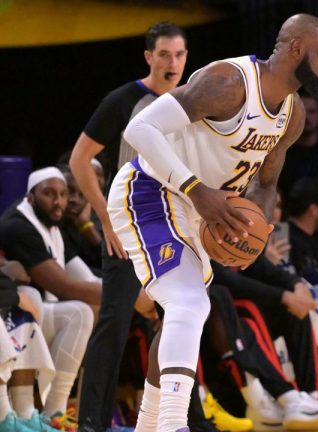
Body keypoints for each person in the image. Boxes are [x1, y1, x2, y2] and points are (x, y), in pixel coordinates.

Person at [105, 13, 318, 431]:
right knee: (190, 302)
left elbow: (266, 183)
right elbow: (140, 129)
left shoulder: (292, 113)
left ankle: (149, 425)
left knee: (181, 313)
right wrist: (195, 189)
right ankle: (173, 425)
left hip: (199, 212)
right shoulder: (228, 82)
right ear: (296, 48)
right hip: (151, 192)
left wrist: (255, 233)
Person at [68, 22, 189, 432]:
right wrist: (106, 218)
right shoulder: (124, 100)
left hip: (175, 227)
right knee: (115, 323)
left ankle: (176, 419)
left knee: (182, 320)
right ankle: (91, 424)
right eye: (164, 55)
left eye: (179, 55)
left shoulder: (192, 101)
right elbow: (79, 160)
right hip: (129, 225)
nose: (173, 63)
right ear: (148, 57)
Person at [0, 167, 98, 430]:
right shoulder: (17, 225)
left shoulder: (55, 225)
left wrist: (127, 292)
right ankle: (16, 414)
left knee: (81, 312)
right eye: (49, 194)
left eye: (63, 194)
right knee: (31, 299)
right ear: (31, 197)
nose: (59, 202)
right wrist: (127, 296)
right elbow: (64, 287)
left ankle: (53, 414)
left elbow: (85, 279)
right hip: (14, 313)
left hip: (32, 314)